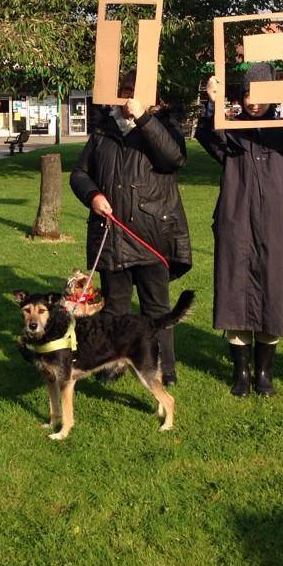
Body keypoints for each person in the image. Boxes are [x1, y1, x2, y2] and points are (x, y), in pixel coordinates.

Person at [196, 68, 283, 396]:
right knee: (235, 292)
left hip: (278, 224)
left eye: (261, 94)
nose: (253, 102)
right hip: (237, 219)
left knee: (274, 293)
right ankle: (241, 372)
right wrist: (212, 105)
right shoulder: (232, 129)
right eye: (247, 94)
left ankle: (264, 372)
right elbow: (210, 139)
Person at [70, 69, 191, 387]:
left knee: (156, 308)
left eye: (135, 92)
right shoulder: (102, 132)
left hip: (151, 236)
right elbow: (79, 173)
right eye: (123, 91)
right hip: (112, 236)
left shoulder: (162, 125)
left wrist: (144, 119)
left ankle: (165, 368)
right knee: (115, 308)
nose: (128, 98)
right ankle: (113, 363)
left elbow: (173, 158)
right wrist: (92, 195)